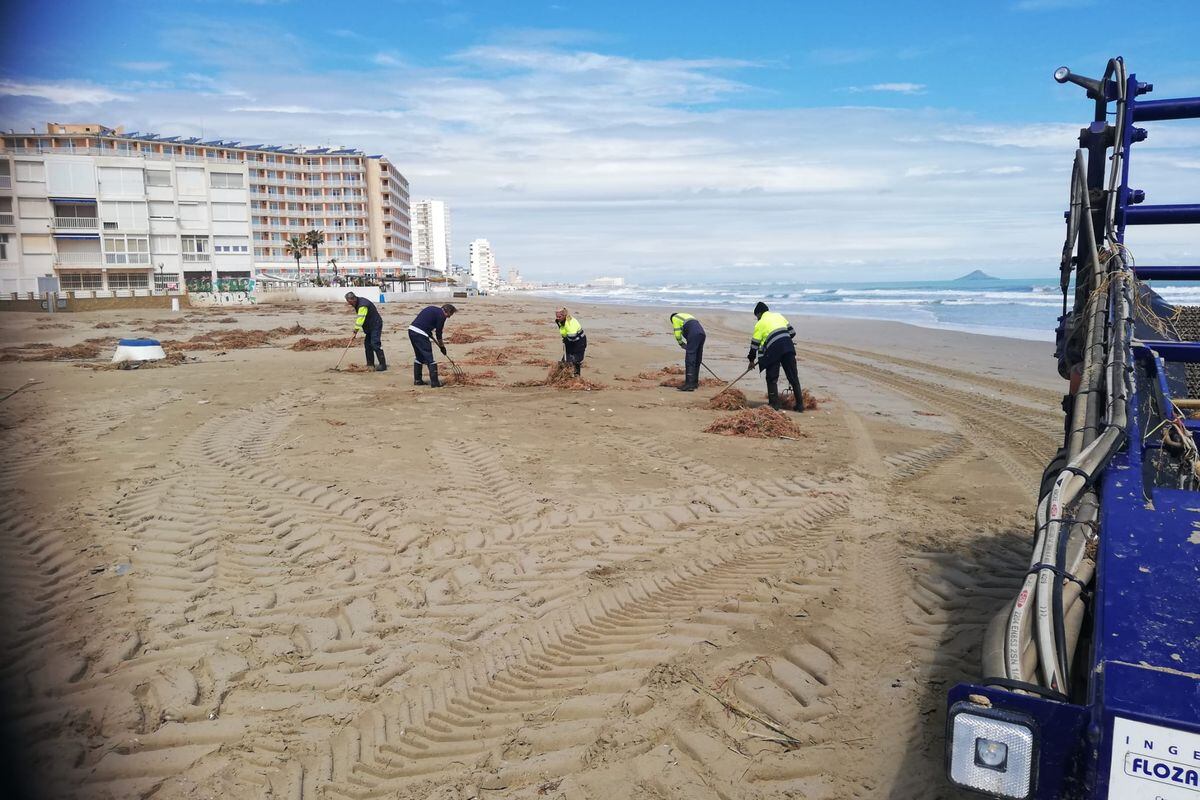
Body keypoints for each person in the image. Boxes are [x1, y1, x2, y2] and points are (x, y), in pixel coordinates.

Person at [748, 301, 804, 411]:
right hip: (788, 347)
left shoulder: (760, 323)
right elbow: (792, 332)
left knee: (772, 378)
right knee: (793, 377)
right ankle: (800, 405)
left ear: (759, 314)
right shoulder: (779, 316)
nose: (757, 319)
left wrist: (751, 360)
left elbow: (754, 343)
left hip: (773, 351)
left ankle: (774, 404)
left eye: (757, 316)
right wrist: (783, 339)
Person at [409, 303, 457, 387]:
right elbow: (438, 333)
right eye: (450, 315)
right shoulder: (442, 316)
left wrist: (428, 332)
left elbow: (424, 321)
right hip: (420, 333)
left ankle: (417, 380)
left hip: (411, 330)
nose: (449, 317)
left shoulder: (432, 308)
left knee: (419, 357)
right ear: (447, 311)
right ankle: (435, 383)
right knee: (429, 358)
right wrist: (442, 347)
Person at [344, 291, 386, 371]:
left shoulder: (363, 305)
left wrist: (355, 332)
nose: (350, 304)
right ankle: (370, 364)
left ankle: (383, 365)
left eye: (349, 302)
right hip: (369, 326)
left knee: (375, 343)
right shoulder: (358, 302)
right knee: (367, 345)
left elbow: (360, 319)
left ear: (353, 299)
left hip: (375, 324)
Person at [669, 312, 706, 392]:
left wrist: (681, 343)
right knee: (697, 359)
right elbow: (691, 328)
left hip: (694, 334)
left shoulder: (675, 318)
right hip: (702, 334)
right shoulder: (686, 316)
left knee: (690, 359)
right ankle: (694, 383)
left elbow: (677, 332)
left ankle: (689, 384)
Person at [555, 308, 587, 376]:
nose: (558, 318)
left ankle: (576, 376)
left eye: (559, 316)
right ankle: (561, 376)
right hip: (569, 341)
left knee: (575, 361)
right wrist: (565, 338)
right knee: (564, 360)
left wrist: (566, 339)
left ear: (564, 315)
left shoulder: (569, 323)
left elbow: (573, 337)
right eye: (556, 316)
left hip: (579, 342)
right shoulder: (559, 321)